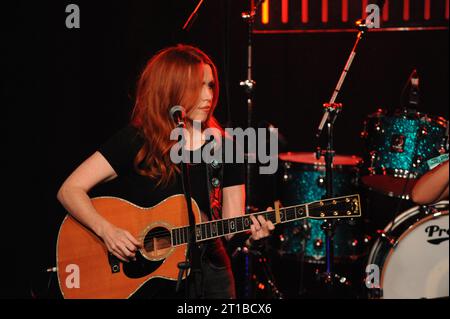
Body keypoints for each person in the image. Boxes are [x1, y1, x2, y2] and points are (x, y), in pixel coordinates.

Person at [56, 44, 274, 299]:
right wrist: (107, 231)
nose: (207, 96)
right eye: (197, 86)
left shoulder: (226, 147)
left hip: (211, 279)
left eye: (211, 85)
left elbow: (231, 230)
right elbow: (69, 190)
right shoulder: (137, 140)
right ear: (171, 88)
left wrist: (252, 238)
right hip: (146, 281)